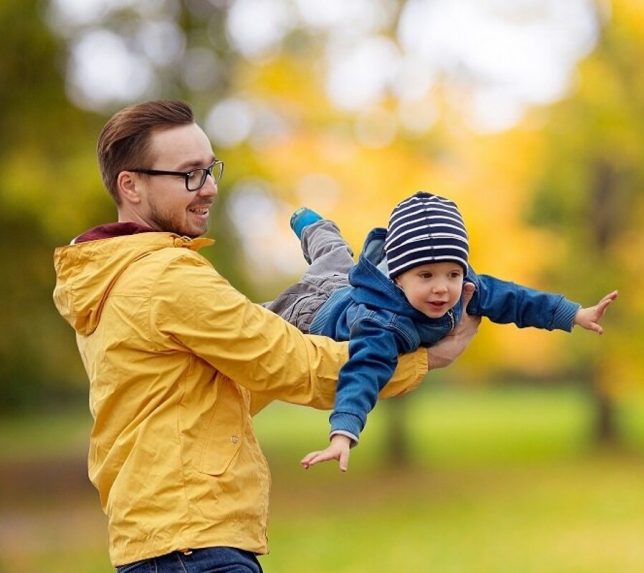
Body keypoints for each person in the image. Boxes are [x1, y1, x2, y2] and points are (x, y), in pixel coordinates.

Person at [52, 100, 479, 573]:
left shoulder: (114, 276)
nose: (210, 188)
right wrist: (425, 359)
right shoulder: (164, 279)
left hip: (170, 539)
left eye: (210, 169)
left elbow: (230, 385)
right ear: (130, 184)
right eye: (189, 174)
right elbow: (293, 364)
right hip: (193, 546)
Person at [266, 191, 618, 472]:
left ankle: (315, 227)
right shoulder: (383, 323)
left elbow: (516, 299)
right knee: (289, 298)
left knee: (336, 259)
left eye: (452, 273)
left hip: (350, 286)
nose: (442, 289)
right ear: (397, 276)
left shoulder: (464, 289)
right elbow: (362, 373)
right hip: (314, 313)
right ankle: (312, 225)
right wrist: (343, 432)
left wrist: (574, 314)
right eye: (426, 276)